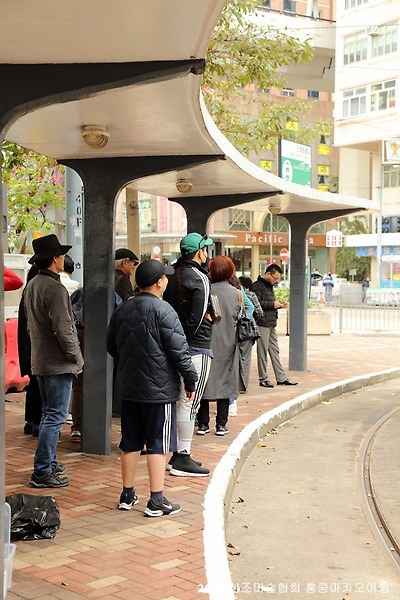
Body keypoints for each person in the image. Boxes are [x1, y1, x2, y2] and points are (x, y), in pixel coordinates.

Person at [107, 259, 198, 517]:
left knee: (130, 442)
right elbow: (179, 351)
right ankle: (156, 500)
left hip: (129, 388)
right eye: (165, 277)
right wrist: (190, 379)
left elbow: (111, 346)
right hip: (159, 390)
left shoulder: (123, 308)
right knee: (159, 443)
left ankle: (127, 495)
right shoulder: (164, 310)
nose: (167, 280)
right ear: (159, 282)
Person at [24, 234, 84, 488]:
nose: (63, 258)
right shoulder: (54, 288)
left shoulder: (33, 285)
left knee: (50, 414)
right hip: (57, 363)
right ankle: (41, 470)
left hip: (41, 359)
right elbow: (64, 329)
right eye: (61, 255)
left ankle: (48, 463)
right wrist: (77, 358)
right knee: (55, 417)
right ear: (54, 259)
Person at [163, 232, 214, 477]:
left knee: (177, 401)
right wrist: (183, 343)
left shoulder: (170, 276)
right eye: (205, 249)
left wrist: (172, 342)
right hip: (195, 346)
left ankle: (175, 452)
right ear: (199, 252)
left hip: (169, 345)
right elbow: (197, 319)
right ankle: (182, 456)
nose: (207, 254)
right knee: (189, 402)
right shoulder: (200, 278)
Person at [198, 256, 241, 436]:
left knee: (204, 379)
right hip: (228, 342)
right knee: (225, 380)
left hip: (206, 340)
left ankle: (203, 424)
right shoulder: (236, 293)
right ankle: (221, 425)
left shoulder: (205, 289)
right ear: (230, 271)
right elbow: (238, 316)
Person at [252, 264, 297, 388]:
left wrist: (279, 305)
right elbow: (256, 303)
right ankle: (263, 378)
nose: (275, 281)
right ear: (268, 273)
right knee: (262, 352)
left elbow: (268, 303)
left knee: (275, 351)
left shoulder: (269, 286)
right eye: (274, 278)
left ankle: (281, 377)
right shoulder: (257, 286)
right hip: (262, 323)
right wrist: (273, 304)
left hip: (271, 323)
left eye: (277, 279)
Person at [18, 265, 42, 437]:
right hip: (35, 348)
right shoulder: (33, 294)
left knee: (34, 385)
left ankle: (31, 421)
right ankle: (36, 422)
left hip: (28, 347)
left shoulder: (26, 293)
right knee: (38, 386)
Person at [238, 276, 263, 393]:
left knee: (235, 359)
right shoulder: (251, 295)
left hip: (234, 329)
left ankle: (235, 385)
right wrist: (249, 318)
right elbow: (259, 311)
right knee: (245, 359)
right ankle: (243, 386)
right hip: (247, 329)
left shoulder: (233, 291)